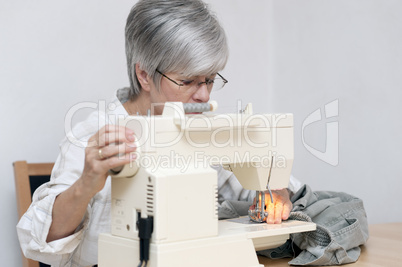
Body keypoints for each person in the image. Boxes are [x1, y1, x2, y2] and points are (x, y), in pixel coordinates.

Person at [16, 0, 301, 266]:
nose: (203, 95)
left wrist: (276, 193)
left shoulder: (202, 128)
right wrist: (86, 183)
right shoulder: (95, 134)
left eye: (210, 80)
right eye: (187, 80)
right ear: (144, 75)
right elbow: (39, 243)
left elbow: (263, 187)